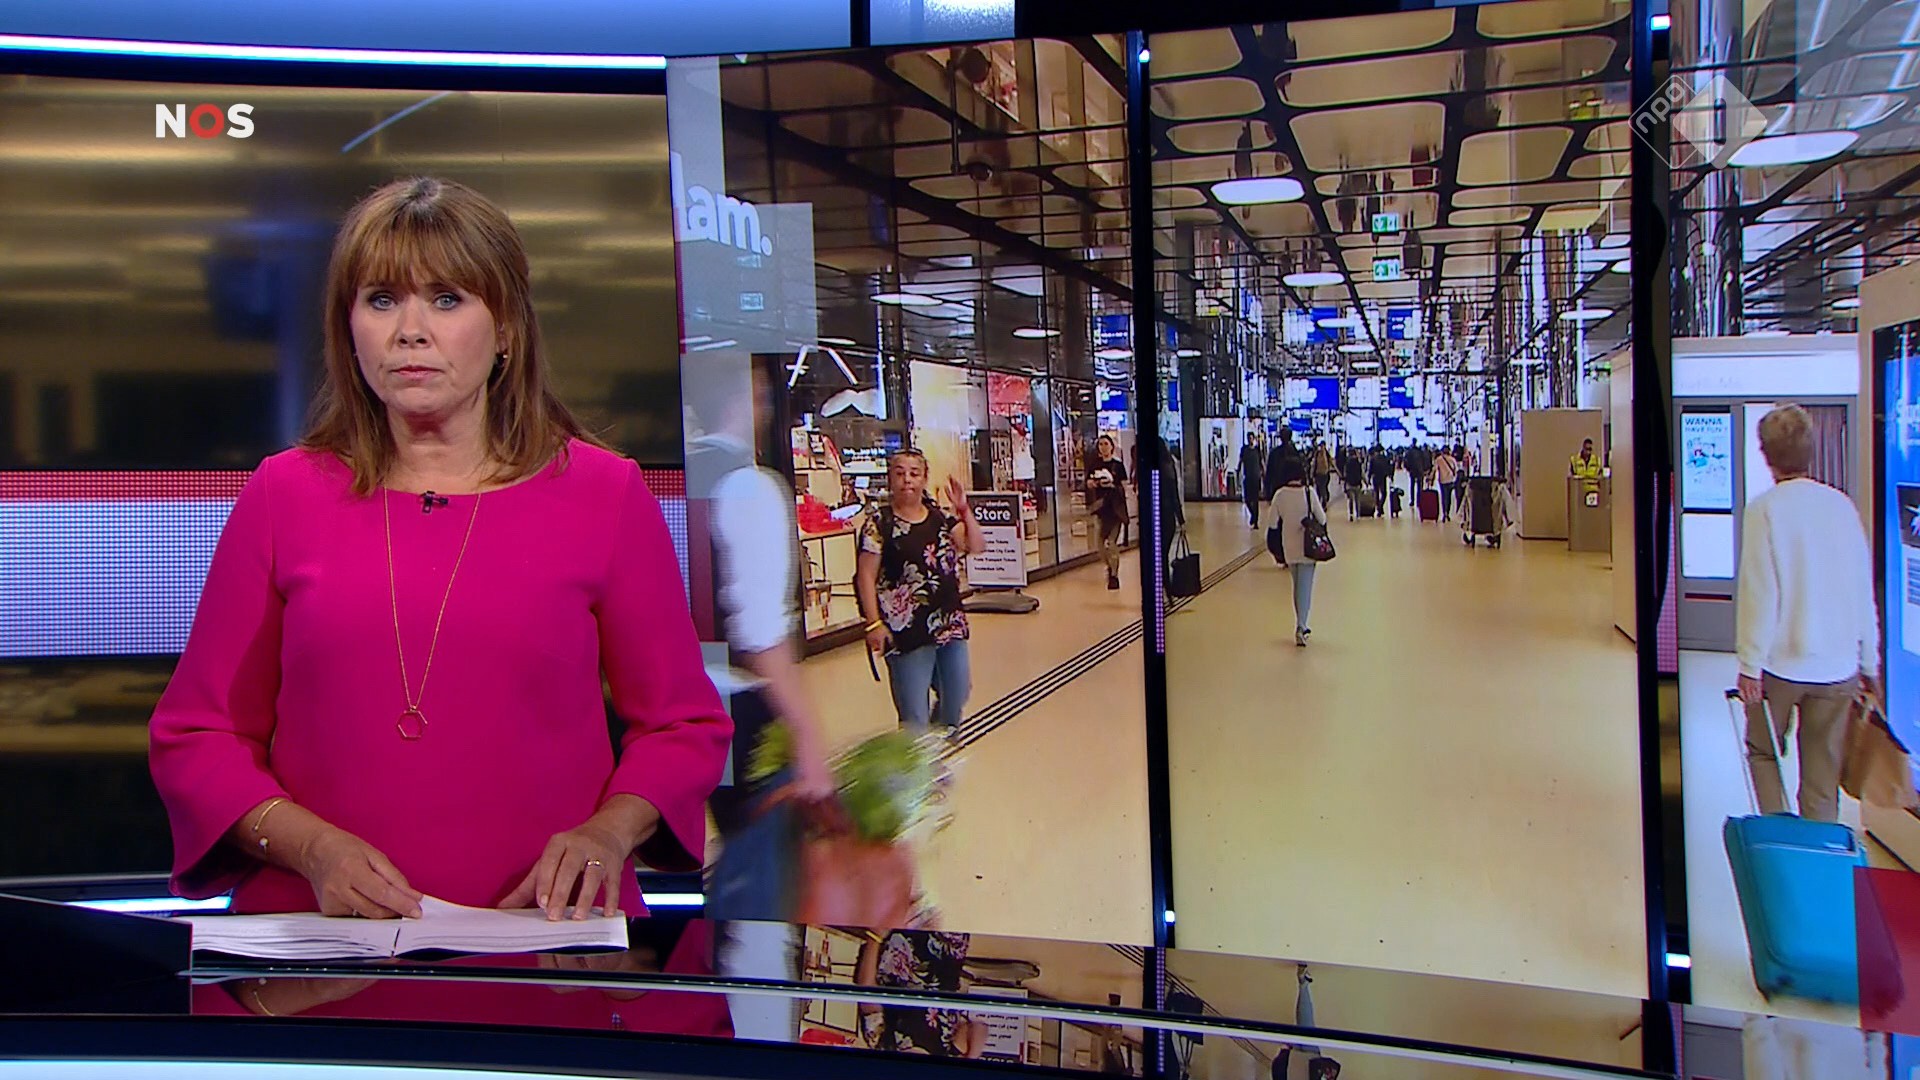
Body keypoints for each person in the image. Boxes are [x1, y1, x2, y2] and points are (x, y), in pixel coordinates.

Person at [148, 177, 731, 922]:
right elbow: (199, 735)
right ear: (348, 328)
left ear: (507, 328)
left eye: (447, 299)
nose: (410, 331)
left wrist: (609, 833)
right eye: (381, 300)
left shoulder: (605, 494)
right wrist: (313, 849)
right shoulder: (282, 495)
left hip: (545, 934)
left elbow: (682, 726)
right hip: (322, 938)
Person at [1735, 405, 1880, 823]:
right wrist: (1869, 662)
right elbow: (1862, 589)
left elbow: (1760, 593)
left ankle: (1779, 837)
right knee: (1822, 772)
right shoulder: (1841, 506)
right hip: (1838, 668)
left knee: (1763, 750)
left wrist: (1749, 665)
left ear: (1766, 454)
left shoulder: (1765, 510)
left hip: (1780, 666)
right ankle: (1816, 848)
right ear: (1811, 450)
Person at [856, 450, 986, 738]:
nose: (907, 480)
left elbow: (976, 546)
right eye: (900, 473)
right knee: (914, 713)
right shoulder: (879, 524)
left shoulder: (940, 518)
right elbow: (865, 575)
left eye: (914, 473)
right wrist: (873, 623)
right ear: (890, 479)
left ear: (924, 479)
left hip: (948, 622)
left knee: (957, 692)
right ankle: (919, 757)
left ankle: (940, 745)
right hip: (906, 630)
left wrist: (964, 510)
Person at [855, 930, 987, 1057]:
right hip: (948, 947)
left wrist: (875, 937)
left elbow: (867, 987)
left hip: (906, 942)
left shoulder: (883, 1045)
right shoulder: (945, 1053)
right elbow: (978, 1028)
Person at [1266, 455, 1328, 648]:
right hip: (1308, 547)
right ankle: (1301, 627)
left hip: (1289, 548)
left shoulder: (1280, 495)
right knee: (1305, 587)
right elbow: (1322, 518)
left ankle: (1301, 623)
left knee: (1297, 586)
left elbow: (1272, 524)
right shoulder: (1309, 493)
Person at [1088, 434, 1131, 589]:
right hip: (1100, 509)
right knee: (1099, 544)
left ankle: (1114, 574)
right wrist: (1093, 483)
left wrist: (1113, 486)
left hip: (1114, 508)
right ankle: (1109, 565)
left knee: (1112, 542)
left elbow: (1124, 486)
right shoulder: (1094, 465)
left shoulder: (1118, 466)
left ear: (1112, 446)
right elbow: (1088, 482)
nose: (1103, 447)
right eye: (1101, 444)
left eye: (1106, 444)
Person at [1240, 435, 1266, 528]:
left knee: (1255, 500)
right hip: (1248, 477)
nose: (1250, 440)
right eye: (1249, 438)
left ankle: (1256, 521)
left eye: (1251, 438)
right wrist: (1238, 470)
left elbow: (1261, 462)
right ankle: (1253, 516)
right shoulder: (1244, 450)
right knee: (1247, 499)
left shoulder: (1257, 451)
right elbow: (1241, 461)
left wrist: (1264, 473)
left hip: (1256, 477)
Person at [1432, 444, 1461, 522]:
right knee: (1449, 497)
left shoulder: (1438, 459)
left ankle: (1444, 512)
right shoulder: (1452, 459)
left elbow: (1435, 470)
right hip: (1451, 480)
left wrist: (1431, 479)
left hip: (1442, 480)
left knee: (1444, 497)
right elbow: (1456, 470)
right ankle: (1447, 512)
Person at [1340, 447, 1366, 521]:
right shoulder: (1359, 463)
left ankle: (1351, 514)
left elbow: (1345, 474)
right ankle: (1358, 515)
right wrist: (1366, 482)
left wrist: (1344, 483)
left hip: (1349, 484)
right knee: (1357, 500)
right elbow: (1362, 474)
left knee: (1350, 500)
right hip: (1357, 483)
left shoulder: (1347, 463)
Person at [1368, 444, 1393, 512]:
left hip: (1375, 477)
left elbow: (1370, 469)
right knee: (1384, 493)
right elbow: (1389, 467)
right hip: (1383, 478)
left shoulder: (1372, 459)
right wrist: (1390, 476)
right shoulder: (1385, 458)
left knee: (1376, 493)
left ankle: (1378, 507)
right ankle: (1380, 506)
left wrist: (1369, 478)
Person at [1310, 440, 1335, 508]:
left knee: (1323, 488)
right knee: (1319, 489)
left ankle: (1324, 503)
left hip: (1325, 474)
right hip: (1318, 474)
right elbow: (1314, 464)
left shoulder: (1326, 454)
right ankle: (1320, 503)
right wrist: (1312, 474)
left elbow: (1331, 463)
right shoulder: (1317, 453)